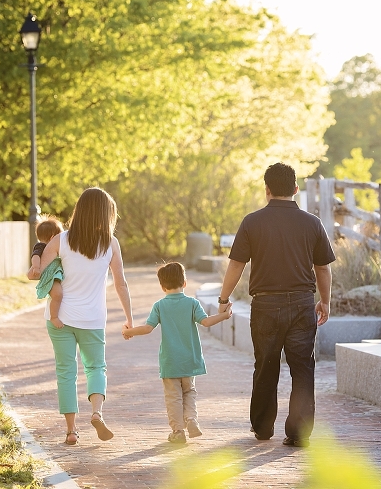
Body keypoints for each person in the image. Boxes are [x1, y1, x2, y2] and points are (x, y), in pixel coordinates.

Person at [217, 162, 335, 448]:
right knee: (303, 368)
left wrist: (223, 299)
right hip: (302, 304)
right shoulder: (312, 223)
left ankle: (262, 427)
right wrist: (325, 301)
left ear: (267, 190)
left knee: (266, 366)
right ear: (296, 189)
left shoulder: (252, 222)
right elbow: (322, 268)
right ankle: (299, 433)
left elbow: (236, 265)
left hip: (266, 306)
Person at [29, 187, 134, 445]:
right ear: (105, 214)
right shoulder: (111, 243)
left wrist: (35, 265)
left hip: (59, 317)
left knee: (66, 372)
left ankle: (71, 431)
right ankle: (97, 412)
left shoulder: (61, 240)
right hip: (93, 319)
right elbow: (121, 283)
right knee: (96, 367)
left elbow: (39, 272)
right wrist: (129, 318)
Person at [121, 262, 232, 443]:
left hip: (170, 362)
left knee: (173, 397)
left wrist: (128, 331)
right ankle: (191, 419)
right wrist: (224, 315)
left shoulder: (160, 306)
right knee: (189, 392)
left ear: (162, 286)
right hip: (190, 359)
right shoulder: (192, 303)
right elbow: (205, 322)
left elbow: (148, 328)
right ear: (185, 283)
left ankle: (178, 432)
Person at [30, 215, 65, 328]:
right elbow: (35, 256)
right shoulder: (41, 246)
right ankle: (53, 317)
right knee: (57, 294)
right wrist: (36, 267)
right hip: (50, 276)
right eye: (60, 235)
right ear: (52, 237)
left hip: (56, 273)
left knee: (58, 294)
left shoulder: (58, 247)